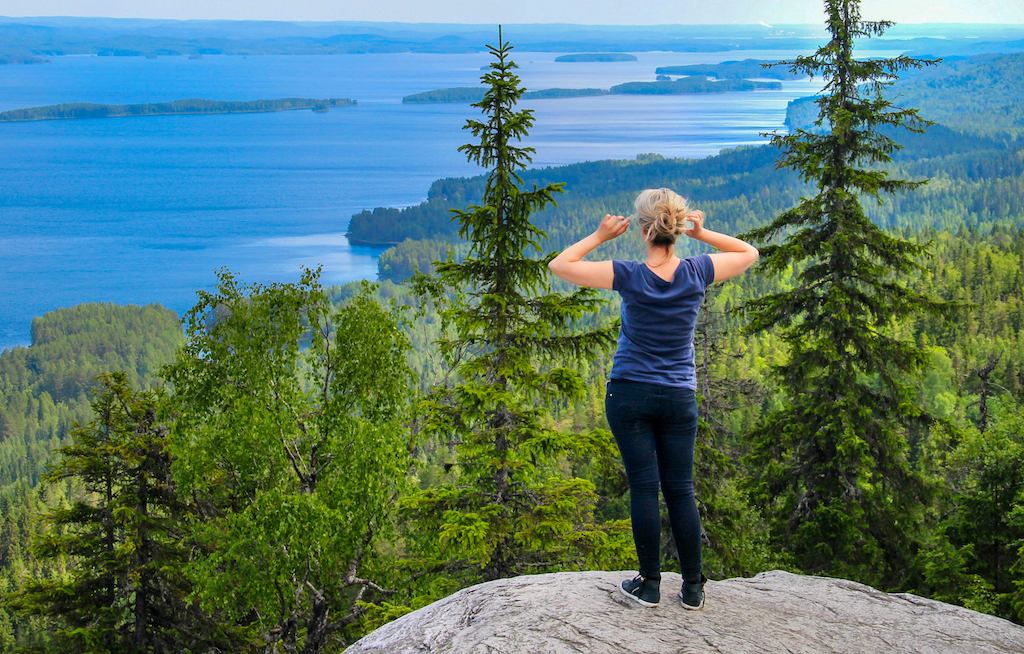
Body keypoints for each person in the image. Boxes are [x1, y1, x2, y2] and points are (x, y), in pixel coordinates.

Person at [548, 188, 758, 610]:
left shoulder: (628, 275)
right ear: (677, 228)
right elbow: (749, 252)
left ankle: (649, 585)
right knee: (680, 488)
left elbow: (560, 265)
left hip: (629, 392)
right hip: (679, 396)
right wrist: (704, 234)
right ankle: (694, 588)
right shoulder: (698, 271)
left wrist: (599, 236)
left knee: (644, 486)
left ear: (643, 230)